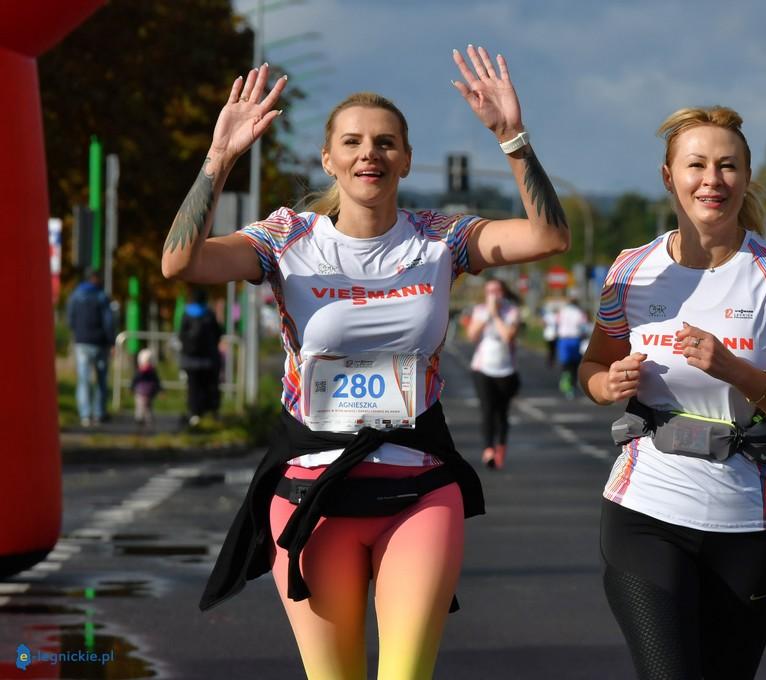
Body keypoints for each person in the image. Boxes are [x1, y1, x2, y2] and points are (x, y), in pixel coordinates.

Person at [161, 48, 569, 680]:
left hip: (420, 488)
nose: (368, 154)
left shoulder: (440, 239)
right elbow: (180, 263)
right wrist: (220, 158)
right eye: (351, 142)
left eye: (385, 143)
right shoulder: (285, 240)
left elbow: (548, 238)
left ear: (405, 159)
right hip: (310, 493)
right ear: (329, 159)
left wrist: (511, 138)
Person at [579, 106, 766, 680]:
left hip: (753, 518)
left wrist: (736, 371)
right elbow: (595, 363)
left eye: (727, 166)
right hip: (646, 506)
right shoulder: (631, 270)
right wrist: (603, 383)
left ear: (745, 176)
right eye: (696, 165)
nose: (712, 180)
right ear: (670, 177)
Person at [466, 278, 521, 469]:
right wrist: (487, 315)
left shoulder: (511, 311)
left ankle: (500, 448)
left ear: (503, 292)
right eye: (489, 291)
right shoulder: (480, 310)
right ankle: (488, 449)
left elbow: (508, 336)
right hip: (482, 368)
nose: (493, 295)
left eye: (496, 290)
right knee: (487, 409)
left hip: (506, 370)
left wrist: (496, 315)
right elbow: (472, 335)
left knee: (502, 412)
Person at [66, 267, 115, 426]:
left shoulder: (75, 296)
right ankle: (99, 413)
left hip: (82, 342)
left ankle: (85, 415)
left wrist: (76, 333)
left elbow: (70, 319)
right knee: (101, 379)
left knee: (83, 379)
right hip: (99, 343)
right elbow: (108, 321)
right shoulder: (101, 297)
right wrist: (111, 341)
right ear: (95, 278)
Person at [178, 288, 223, 426]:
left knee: (193, 387)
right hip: (208, 359)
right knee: (209, 385)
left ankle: (194, 413)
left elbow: (181, 335)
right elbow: (218, 333)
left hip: (190, 359)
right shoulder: (209, 314)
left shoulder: (186, 313)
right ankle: (211, 412)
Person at [554, 295, 588, 398]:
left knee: (565, 363)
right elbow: (584, 327)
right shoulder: (580, 313)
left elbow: (556, 324)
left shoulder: (562, 311)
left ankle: (566, 382)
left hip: (564, 339)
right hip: (575, 339)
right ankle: (572, 383)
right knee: (575, 363)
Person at [131, 347, 162, 427]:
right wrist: (132, 388)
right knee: (140, 406)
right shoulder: (139, 372)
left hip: (150, 393)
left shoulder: (153, 372)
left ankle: (148, 419)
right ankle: (139, 418)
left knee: (149, 407)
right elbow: (134, 380)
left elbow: (157, 381)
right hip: (140, 392)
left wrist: (160, 390)